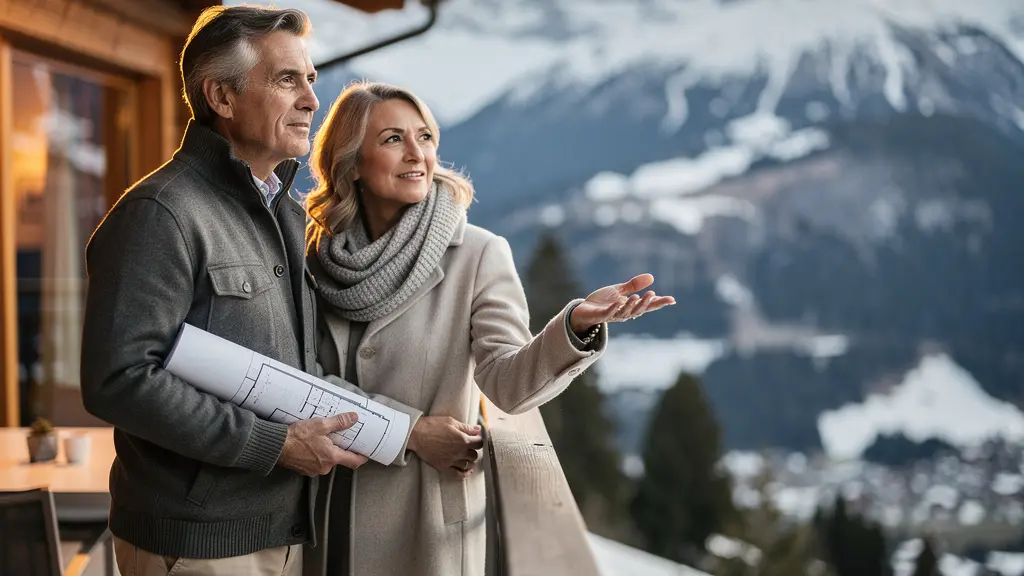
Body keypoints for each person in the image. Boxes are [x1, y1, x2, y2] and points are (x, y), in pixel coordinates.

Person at [302, 81, 676, 576]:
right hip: (324, 508)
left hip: (424, 520)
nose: (417, 154)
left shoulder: (477, 253)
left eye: (426, 137)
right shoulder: (315, 256)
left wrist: (575, 325)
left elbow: (507, 383)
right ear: (351, 162)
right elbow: (298, 378)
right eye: (393, 139)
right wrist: (410, 430)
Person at [80, 6, 367, 575]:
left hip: (279, 532)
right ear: (222, 97)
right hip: (196, 548)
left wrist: (405, 431)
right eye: (288, 80)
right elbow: (118, 381)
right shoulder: (160, 213)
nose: (312, 100)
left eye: (310, 80)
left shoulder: (283, 213)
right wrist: (275, 445)